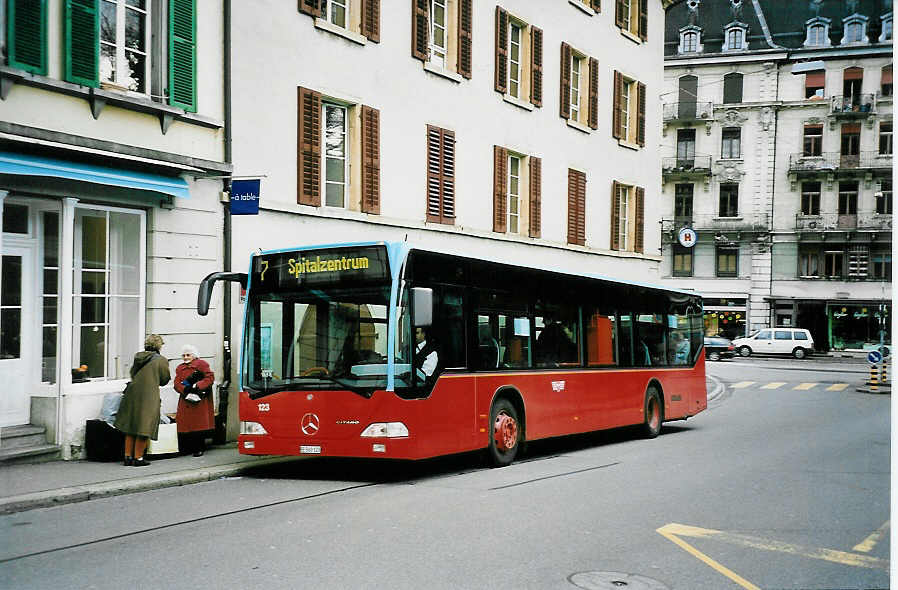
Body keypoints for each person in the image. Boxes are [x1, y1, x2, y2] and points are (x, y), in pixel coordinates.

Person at [114, 334, 171, 466]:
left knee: (131, 425)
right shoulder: (161, 360)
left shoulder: (138, 357)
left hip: (133, 393)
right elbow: (164, 380)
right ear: (159, 346)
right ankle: (138, 458)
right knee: (144, 427)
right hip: (149, 395)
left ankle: (127, 457)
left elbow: (132, 373)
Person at [174, 344, 215, 457]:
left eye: (188, 355)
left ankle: (199, 447)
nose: (186, 357)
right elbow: (176, 383)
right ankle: (188, 447)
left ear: (194, 355)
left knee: (198, 424)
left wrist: (198, 385)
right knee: (186, 424)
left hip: (199, 399)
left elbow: (210, 378)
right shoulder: (180, 368)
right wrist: (184, 389)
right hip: (186, 398)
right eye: (183, 355)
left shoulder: (202, 364)